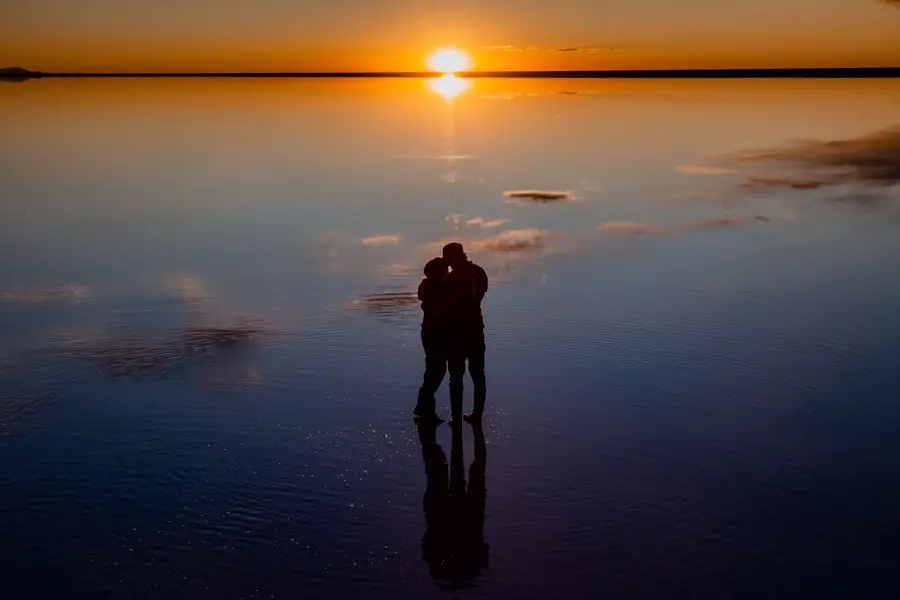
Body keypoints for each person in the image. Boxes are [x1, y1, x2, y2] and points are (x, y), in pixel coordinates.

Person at [441, 243, 489, 426]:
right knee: (478, 373)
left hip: (456, 332)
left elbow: (446, 304)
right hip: (476, 328)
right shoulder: (479, 272)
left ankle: (456, 417)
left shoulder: (451, 278)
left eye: (447, 259)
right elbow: (479, 296)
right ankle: (477, 415)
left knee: (456, 375)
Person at [414, 257, 451, 420]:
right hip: (436, 333)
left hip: (428, 331)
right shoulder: (440, 289)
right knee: (437, 370)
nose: (447, 272)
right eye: (445, 270)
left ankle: (425, 408)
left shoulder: (426, 286)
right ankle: (424, 407)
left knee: (433, 369)